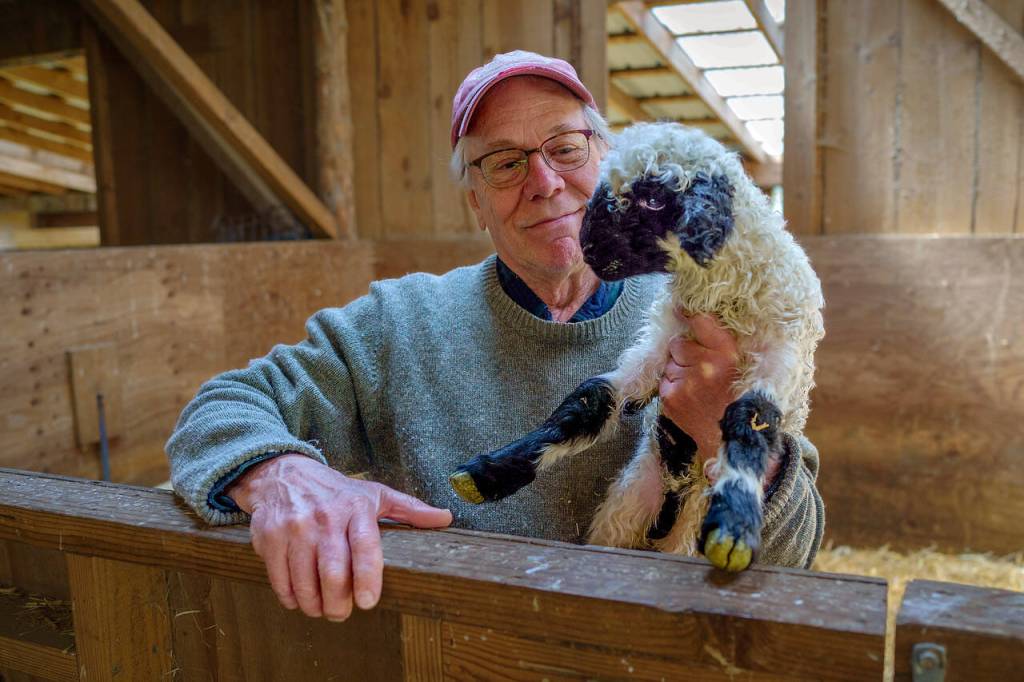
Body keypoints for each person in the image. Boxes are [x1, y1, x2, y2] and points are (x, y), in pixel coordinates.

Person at [166, 50, 823, 623]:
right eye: (504, 164)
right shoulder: (399, 320)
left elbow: (800, 550)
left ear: (606, 161)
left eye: (566, 148)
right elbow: (219, 411)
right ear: (473, 201)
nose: (544, 183)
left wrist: (719, 437)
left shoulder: (698, 310)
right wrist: (281, 474)